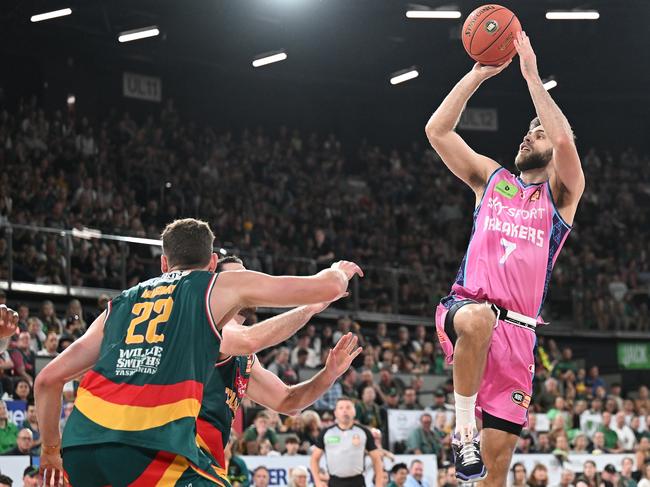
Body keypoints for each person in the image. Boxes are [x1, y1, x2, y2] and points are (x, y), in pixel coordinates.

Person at [35, 218, 363, 485]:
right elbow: (253, 334)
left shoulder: (122, 304)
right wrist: (332, 277)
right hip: (154, 452)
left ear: (165, 262)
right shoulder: (211, 303)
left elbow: (48, 379)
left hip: (82, 446)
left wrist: (329, 374)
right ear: (212, 266)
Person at [426, 31, 584, 483]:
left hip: (519, 337)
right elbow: (437, 131)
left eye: (537, 132)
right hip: (466, 309)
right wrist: (477, 75)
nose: (526, 136)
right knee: (478, 319)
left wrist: (532, 75)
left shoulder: (562, 197)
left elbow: (566, 146)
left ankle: (474, 452)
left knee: (492, 474)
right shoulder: (492, 179)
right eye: (526, 131)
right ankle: (462, 431)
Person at [310, 397, 384, 487]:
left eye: (348, 407)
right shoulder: (326, 433)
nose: (345, 411)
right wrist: (317, 481)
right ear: (335, 413)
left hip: (357, 482)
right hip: (334, 482)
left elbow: (376, 459)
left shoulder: (364, 432)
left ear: (354, 412)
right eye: (341, 408)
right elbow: (314, 459)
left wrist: (379, 484)